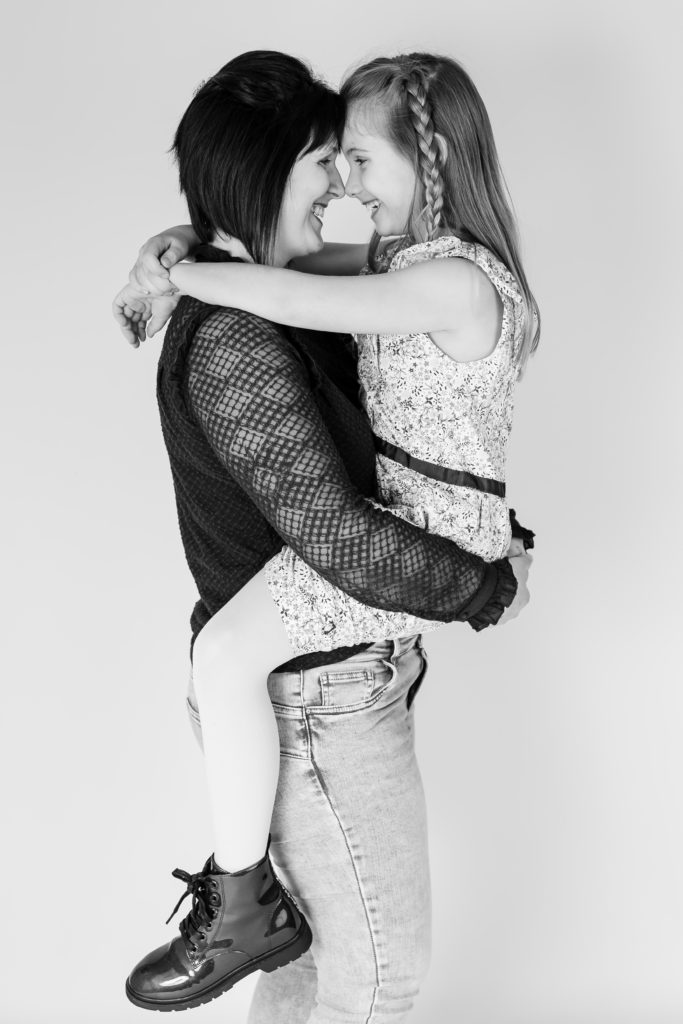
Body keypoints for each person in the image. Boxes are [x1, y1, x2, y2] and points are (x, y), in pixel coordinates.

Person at [114, 50, 533, 1022]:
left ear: (422, 171)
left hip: (388, 595)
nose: (342, 189)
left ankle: (239, 900)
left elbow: (307, 289)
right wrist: (187, 255)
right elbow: (344, 532)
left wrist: (188, 264)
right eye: (326, 165)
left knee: (322, 973)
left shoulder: (429, 279)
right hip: (330, 686)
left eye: (354, 164)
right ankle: (237, 900)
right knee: (370, 978)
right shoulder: (284, 313)